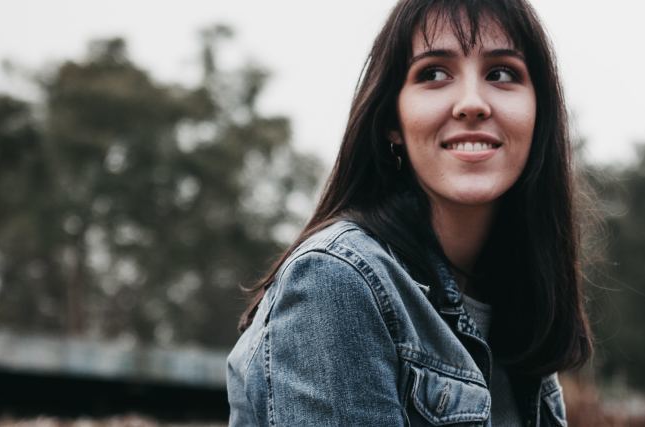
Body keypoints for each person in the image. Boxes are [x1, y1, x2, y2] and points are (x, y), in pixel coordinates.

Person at [225, 0, 592, 425]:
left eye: (501, 73)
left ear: (538, 115)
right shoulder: (339, 282)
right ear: (392, 123)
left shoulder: (518, 306)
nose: (471, 103)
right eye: (434, 73)